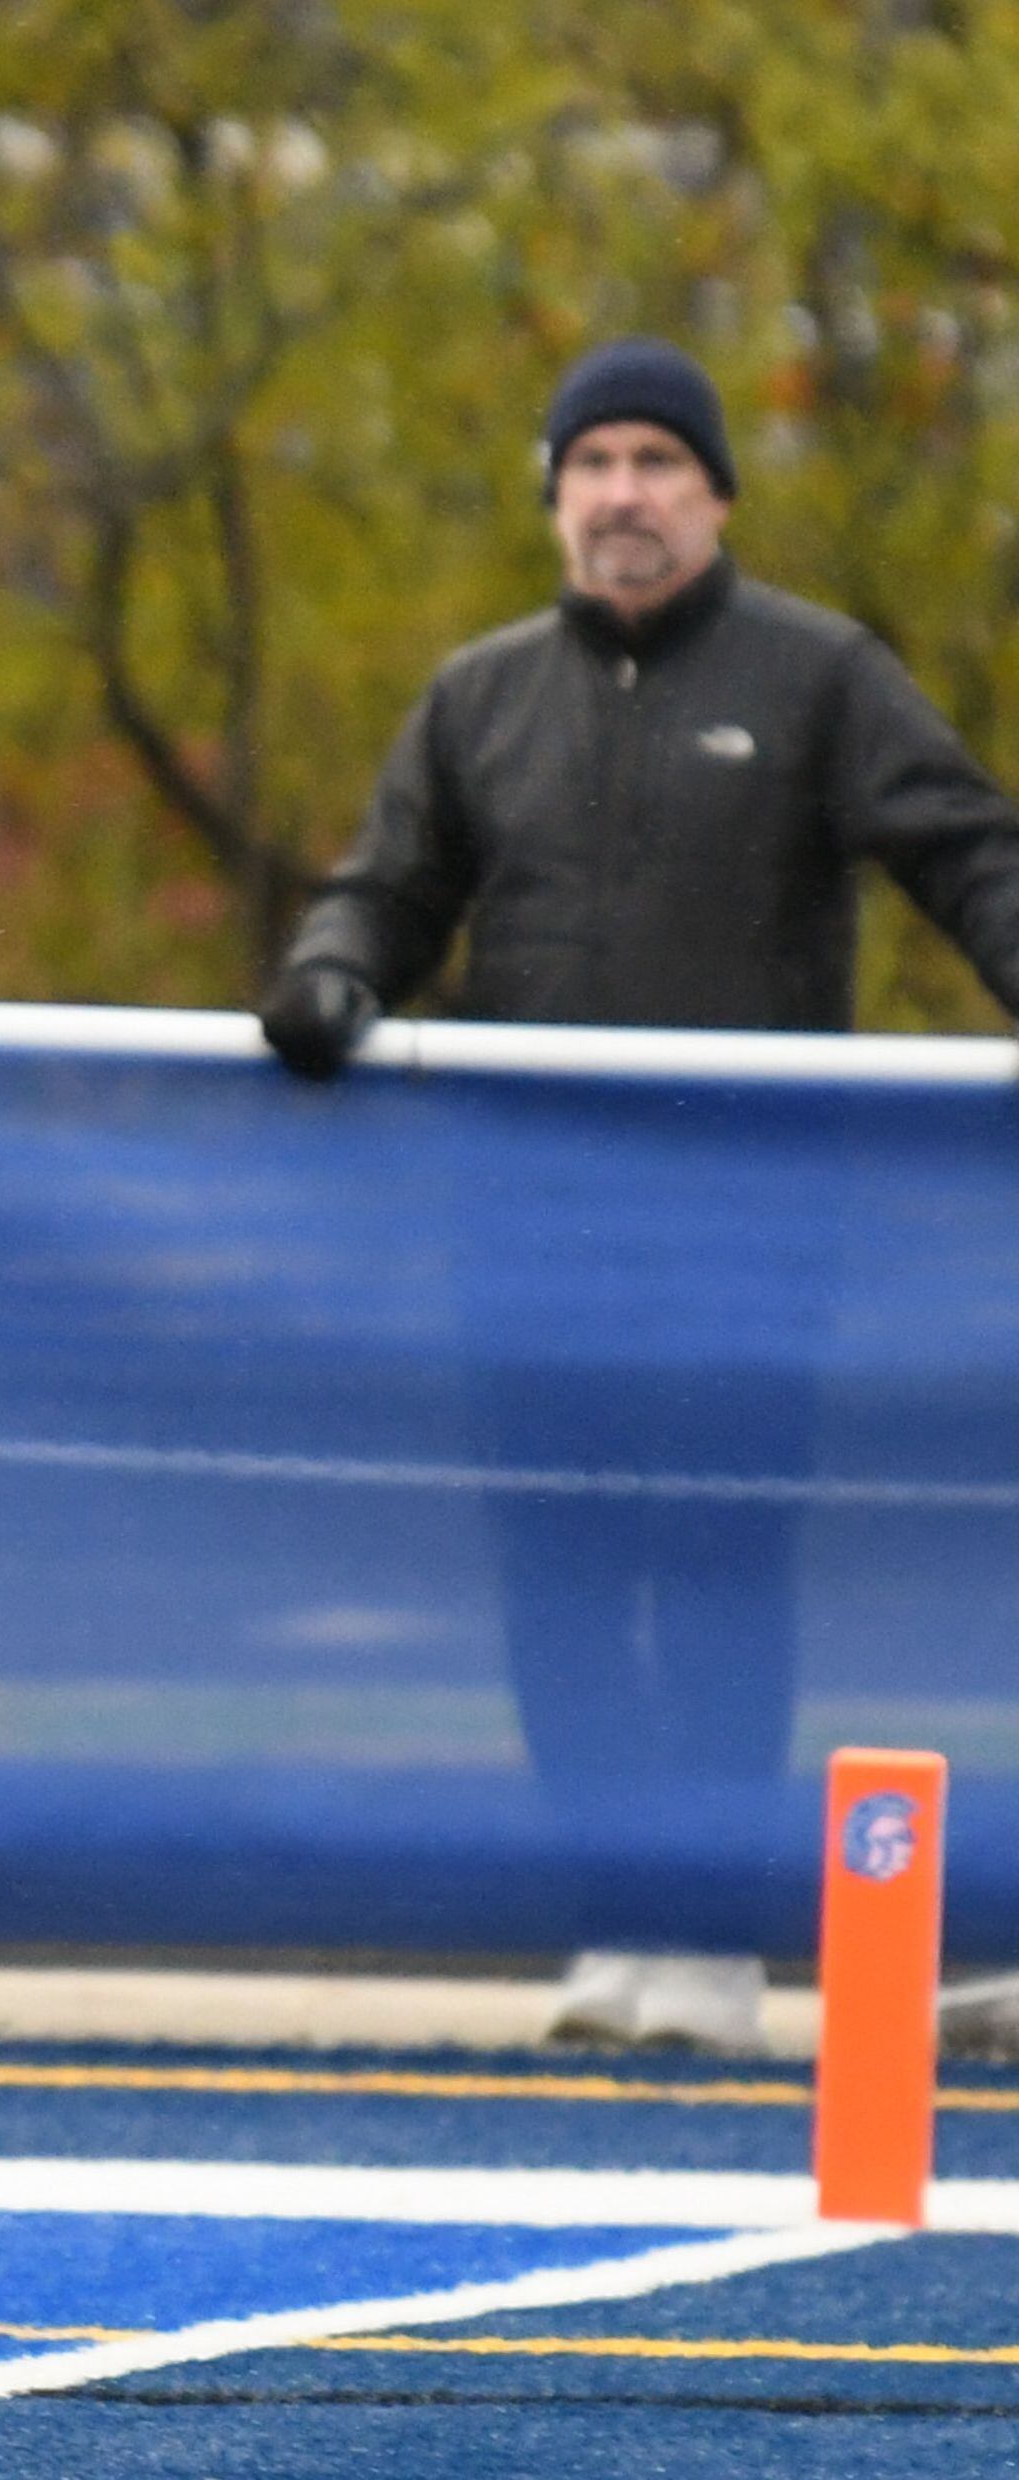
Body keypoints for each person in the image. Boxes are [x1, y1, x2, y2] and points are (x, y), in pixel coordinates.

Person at [258, 338, 1019, 2054]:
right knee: (564, 1578)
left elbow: (971, 853)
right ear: (554, 500)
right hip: (528, 1234)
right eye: (591, 464)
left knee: (724, 1572)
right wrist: (328, 976)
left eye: (655, 464)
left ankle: (716, 1941)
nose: (622, 496)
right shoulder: (479, 696)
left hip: (752, 1235)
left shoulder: (821, 675)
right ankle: (617, 1925)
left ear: (718, 493)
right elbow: (384, 889)